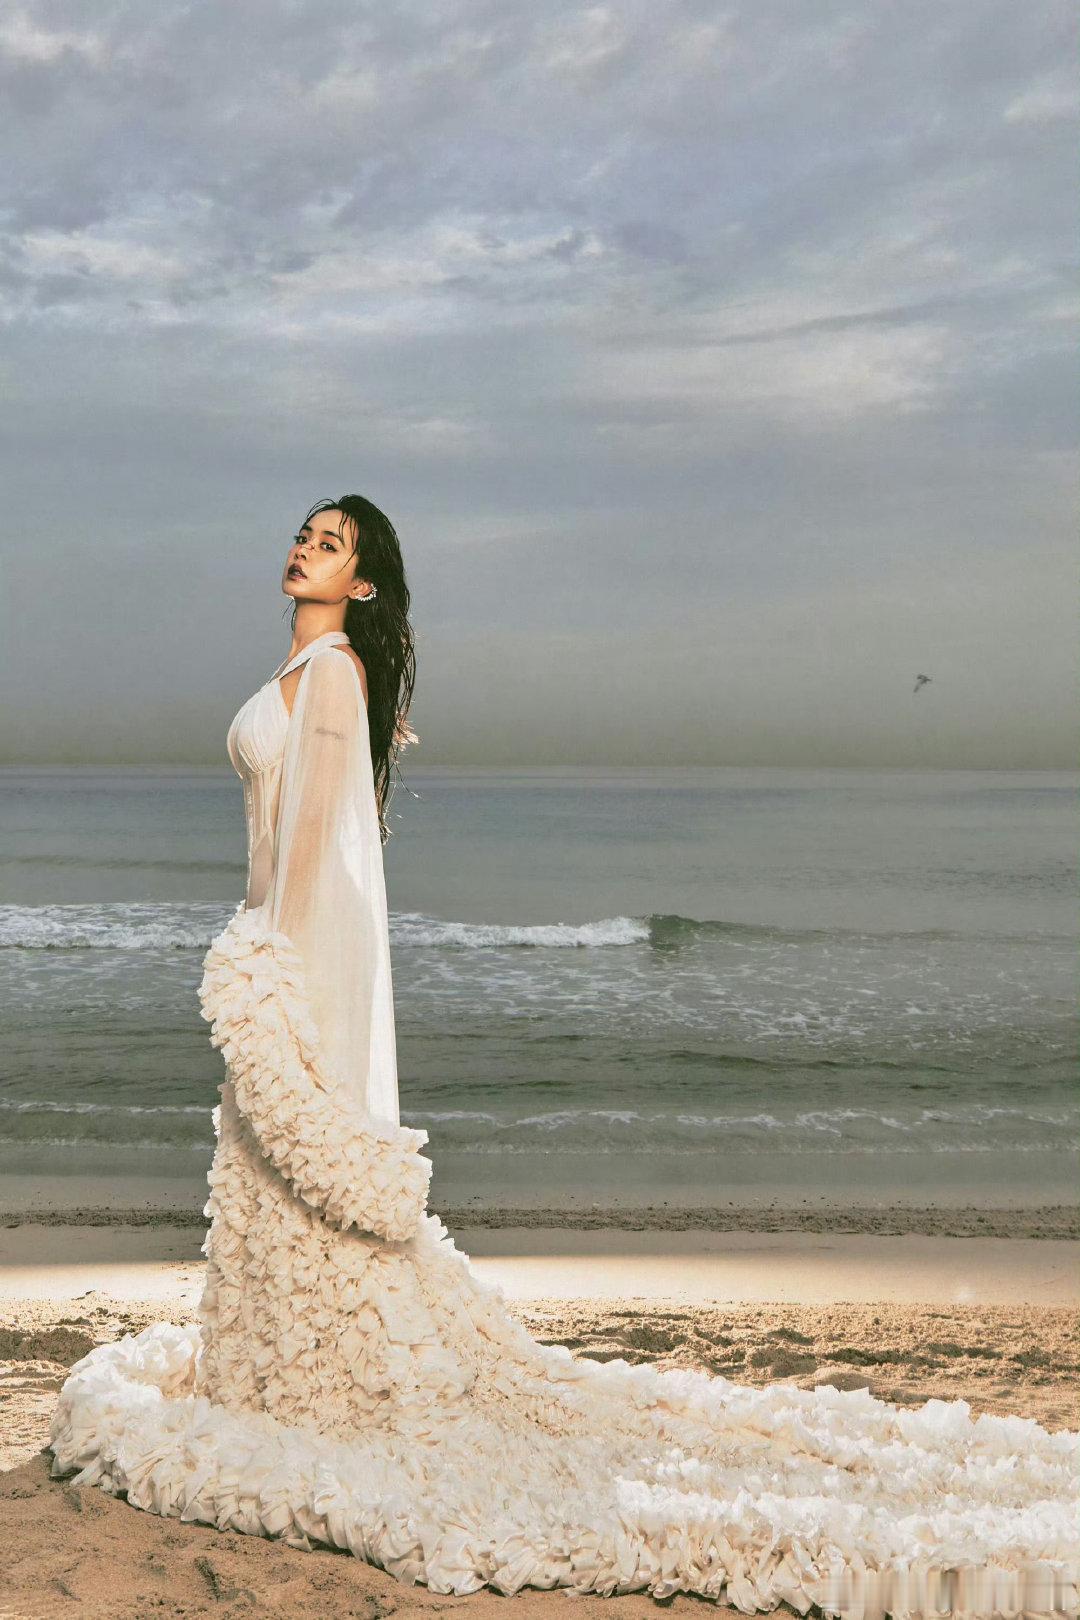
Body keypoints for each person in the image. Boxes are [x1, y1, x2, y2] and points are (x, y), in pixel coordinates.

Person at [48, 495, 1080, 1615]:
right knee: (266, 1172)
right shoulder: (306, 673)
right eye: (307, 533)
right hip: (270, 949)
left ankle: (313, 1379)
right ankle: (274, 1368)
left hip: (291, 958)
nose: (307, 547)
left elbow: (309, 850)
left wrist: (271, 976)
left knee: (299, 1160)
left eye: (332, 544)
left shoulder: (334, 674)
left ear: (364, 584)